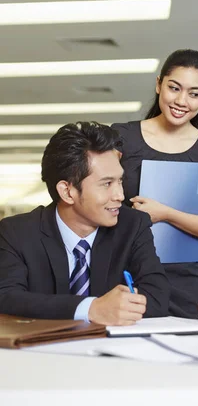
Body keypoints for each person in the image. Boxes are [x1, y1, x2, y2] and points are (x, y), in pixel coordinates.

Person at [0, 122, 169, 324]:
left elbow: (158, 297)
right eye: (107, 184)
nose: (120, 195)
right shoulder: (16, 232)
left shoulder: (133, 225)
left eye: (120, 181)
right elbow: (6, 297)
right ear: (67, 192)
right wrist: (91, 309)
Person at [112, 49, 198, 318]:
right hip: (125, 272)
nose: (182, 100)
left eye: (194, 93)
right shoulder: (122, 137)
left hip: (185, 281)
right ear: (159, 85)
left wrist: (165, 213)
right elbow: (99, 199)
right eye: (174, 88)